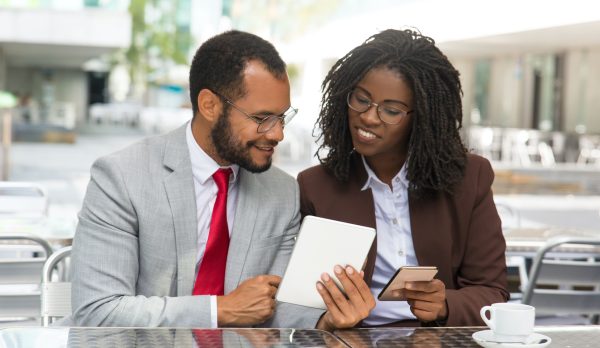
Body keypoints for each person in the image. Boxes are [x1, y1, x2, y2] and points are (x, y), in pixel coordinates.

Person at [69, 30, 372, 329]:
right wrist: (219, 309)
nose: (277, 133)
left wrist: (323, 320)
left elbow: (274, 305)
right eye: (262, 118)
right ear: (209, 106)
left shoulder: (282, 191)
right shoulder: (122, 177)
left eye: (282, 117)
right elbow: (98, 311)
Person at [297, 29, 509, 327]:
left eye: (391, 110)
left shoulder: (469, 178)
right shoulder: (314, 187)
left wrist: (446, 304)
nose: (369, 117)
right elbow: (297, 300)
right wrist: (325, 321)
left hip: (438, 340)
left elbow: (493, 292)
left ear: (421, 118)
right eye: (361, 99)